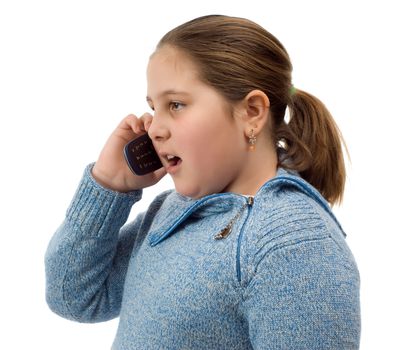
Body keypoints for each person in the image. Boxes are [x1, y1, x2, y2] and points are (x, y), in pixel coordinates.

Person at [45, 14, 360, 349]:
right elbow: (73, 296)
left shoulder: (294, 244)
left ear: (252, 112)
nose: (154, 128)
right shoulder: (171, 212)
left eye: (176, 104)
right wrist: (108, 186)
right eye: (154, 107)